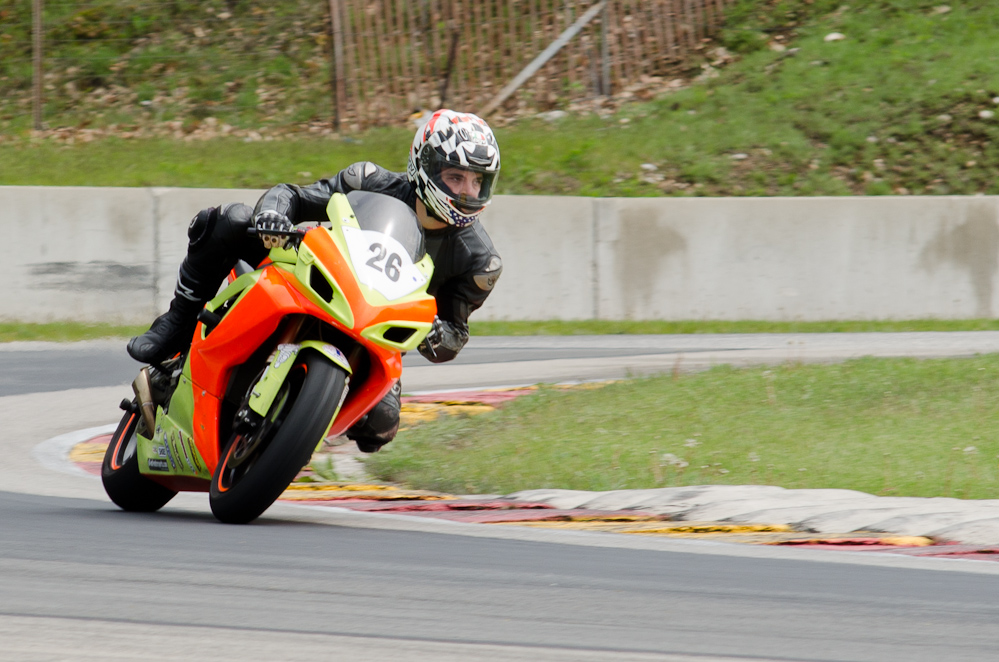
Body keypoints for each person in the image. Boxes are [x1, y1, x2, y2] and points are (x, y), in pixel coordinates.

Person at [127, 109, 503, 453]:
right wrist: (274, 214)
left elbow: (455, 334)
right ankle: (177, 323)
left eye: (476, 182)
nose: (466, 193)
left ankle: (296, 427)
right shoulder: (368, 181)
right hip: (314, 279)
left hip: (375, 335)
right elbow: (292, 195)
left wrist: (437, 333)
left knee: (380, 426)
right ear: (424, 166)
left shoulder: (479, 261)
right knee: (230, 220)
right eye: (455, 178)